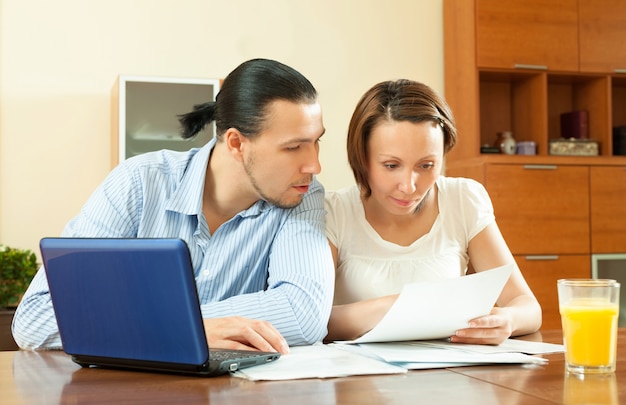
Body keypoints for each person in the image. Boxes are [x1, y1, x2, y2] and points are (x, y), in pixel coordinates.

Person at [13, 58, 335, 353]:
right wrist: (185, 329)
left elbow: (303, 312)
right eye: (294, 147)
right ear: (236, 143)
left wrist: (136, 323)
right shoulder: (138, 183)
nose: (314, 165)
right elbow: (35, 319)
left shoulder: (302, 195)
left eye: (315, 141)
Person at [324, 79, 541, 345]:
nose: (409, 186)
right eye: (391, 165)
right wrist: (401, 307)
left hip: (449, 375)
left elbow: (527, 306)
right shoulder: (333, 212)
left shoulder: (463, 200)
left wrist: (507, 320)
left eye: (426, 165)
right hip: (360, 380)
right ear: (362, 158)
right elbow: (312, 321)